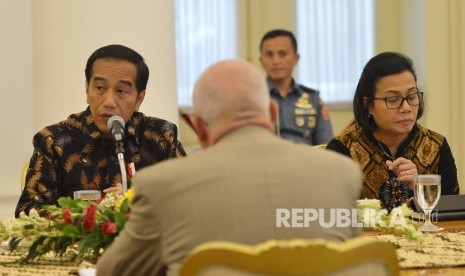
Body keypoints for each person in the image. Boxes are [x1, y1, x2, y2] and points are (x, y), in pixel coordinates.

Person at [96, 60, 362, 276]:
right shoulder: (342, 174)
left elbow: (113, 272)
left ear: (199, 129)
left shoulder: (160, 185)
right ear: (271, 114)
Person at [15, 44, 187, 217]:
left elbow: (190, 200)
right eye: (100, 88)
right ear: (87, 90)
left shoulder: (161, 137)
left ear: (139, 99)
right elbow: (28, 211)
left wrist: (136, 204)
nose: (109, 101)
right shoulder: (55, 140)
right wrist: (93, 217)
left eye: (121, 91)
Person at [326, 52, 459, 210]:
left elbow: (451, 211)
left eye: (411, 97)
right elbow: (329, 213)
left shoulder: (436, 146)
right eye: (393, 100)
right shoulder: (343, 149)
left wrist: (419, 188)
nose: (406, 108)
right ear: (368, 105)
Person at [259, 29, 333, 145]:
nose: (276, 61)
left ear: (296, 58)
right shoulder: (252, 99)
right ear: (261, 61)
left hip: (306, 161)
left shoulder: (313, 100)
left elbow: (326, 145)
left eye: (283, 54)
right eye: (269, 55)